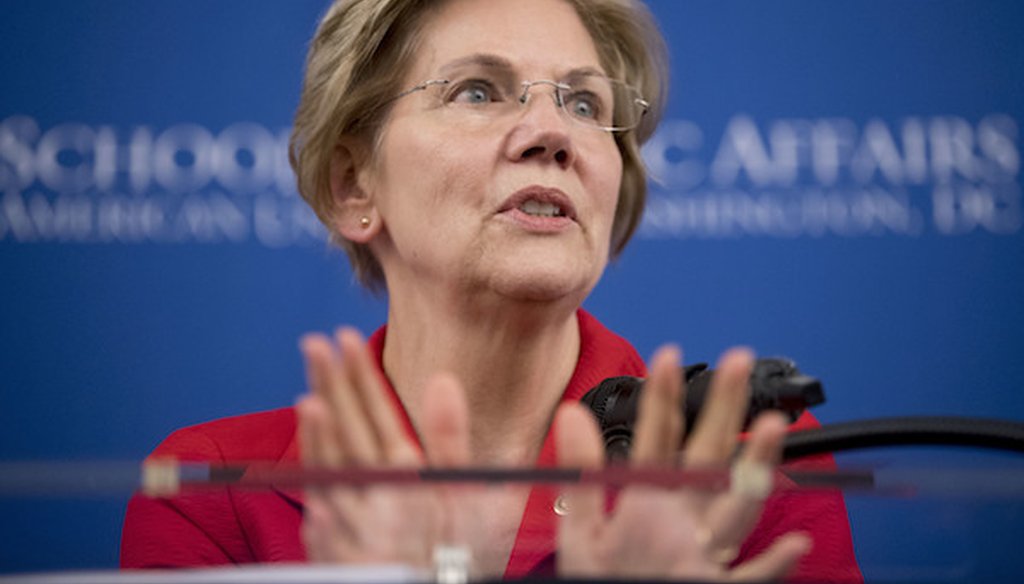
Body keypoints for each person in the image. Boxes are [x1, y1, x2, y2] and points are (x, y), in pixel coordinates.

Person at [121, 0, 862, 581]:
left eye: (583, 104)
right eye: (478, 91)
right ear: (353, 184)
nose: (553, 133)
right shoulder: (213, 491)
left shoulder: (741, 458)